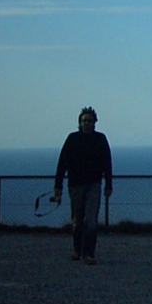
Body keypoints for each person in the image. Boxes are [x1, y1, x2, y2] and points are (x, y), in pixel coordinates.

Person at [53, 107, 113, 264]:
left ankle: (89, 254)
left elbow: (107, 163)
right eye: (84, 120)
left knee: (91, 221)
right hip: (75, 186)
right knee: (77, 220)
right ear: (79, 122)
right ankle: (77, 250)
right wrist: (58, 185)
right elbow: (62, 163)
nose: (87, 123)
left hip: (94, 185)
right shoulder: (72, 139)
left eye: (89, 120)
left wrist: (108, 184)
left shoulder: (100, 139)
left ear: (95, 123)